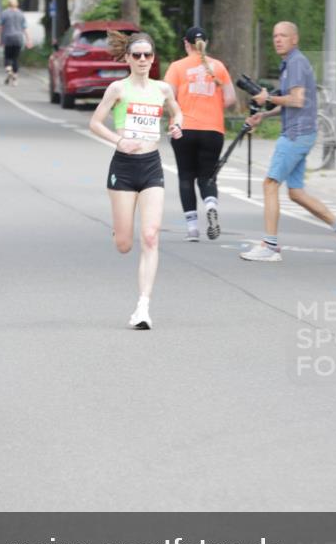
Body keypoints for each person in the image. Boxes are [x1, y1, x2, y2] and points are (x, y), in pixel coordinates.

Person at [240, 21, 336, 262]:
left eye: (283, 35)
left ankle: (270, 246)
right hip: (303, 132)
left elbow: (296, 100)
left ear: (295, 39)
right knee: (296, 193)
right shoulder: (291, 63)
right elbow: (292, 103)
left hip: (295, 135)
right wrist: (265, 114)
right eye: (274, 36)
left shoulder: (295, 62)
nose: (278, 39)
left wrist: (267, 97)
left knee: (269, 184)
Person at [89, 31, 183, 330]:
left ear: (153, 58)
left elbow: (177, 111)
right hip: (124, 167)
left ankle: (143, 306)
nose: (143, 60)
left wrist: (177, 124)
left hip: (151, 165)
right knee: (124, 244)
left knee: (152, 236)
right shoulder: (118, 88)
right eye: (137, 55)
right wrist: (118, 140)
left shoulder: (163, 89)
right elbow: (94, 123)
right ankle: (119, 229)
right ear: (128, 58)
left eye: (148, 55)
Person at [164, 26, 236, 241]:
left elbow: (168, 97)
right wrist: (213, 106)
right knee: (207, 176)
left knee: (186, 176)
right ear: (206, 42)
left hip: (183, 128)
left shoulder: (177, 67)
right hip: (213, 129)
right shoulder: (218, 67)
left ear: (186, 44)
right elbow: (231, 99)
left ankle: (193, 229)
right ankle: (211, 206)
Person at [0, 0, 30, 86]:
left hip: (7, 38)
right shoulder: (21, 13)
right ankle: (15, 78)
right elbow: (25, 28)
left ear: (8, 3)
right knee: (15, 58)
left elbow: (0, 27)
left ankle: (9, 70)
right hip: (18, 38)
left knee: (7, 57)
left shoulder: (4, 13)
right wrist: (28, 39)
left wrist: (0, 39)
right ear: (17, 3)